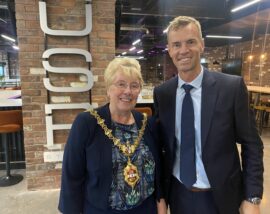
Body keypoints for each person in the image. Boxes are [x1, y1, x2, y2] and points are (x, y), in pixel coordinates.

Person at [153, 16, 264, 214]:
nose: (184, 50)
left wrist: (252, 197)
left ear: (202, 45)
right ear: (169, 50)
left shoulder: (231, 88)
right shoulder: (163, 94)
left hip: (221, 196)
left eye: (190, 42)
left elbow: (252, 144)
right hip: (179, 194)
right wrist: (161, 194)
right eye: (176, 44)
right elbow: (162, 149)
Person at [58, 57, 166, 214]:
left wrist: (161, 202)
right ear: (108, 89)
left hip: (146, 208)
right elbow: (71, 177)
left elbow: (159, 170)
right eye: (121, 84)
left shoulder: (147, 123)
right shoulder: (87, 123)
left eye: (134, 85)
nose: (128, 91)